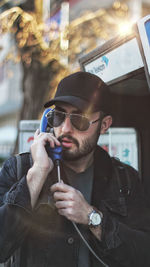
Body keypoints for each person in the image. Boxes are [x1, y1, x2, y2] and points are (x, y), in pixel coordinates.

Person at [0, 71, 150, 267]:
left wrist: (92, 218)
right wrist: (36, 175)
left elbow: (143, 254)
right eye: (59, 116)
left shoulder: (125, 180)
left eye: (80, 119)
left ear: (104, 125)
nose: (65, 128)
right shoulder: (20, 169)